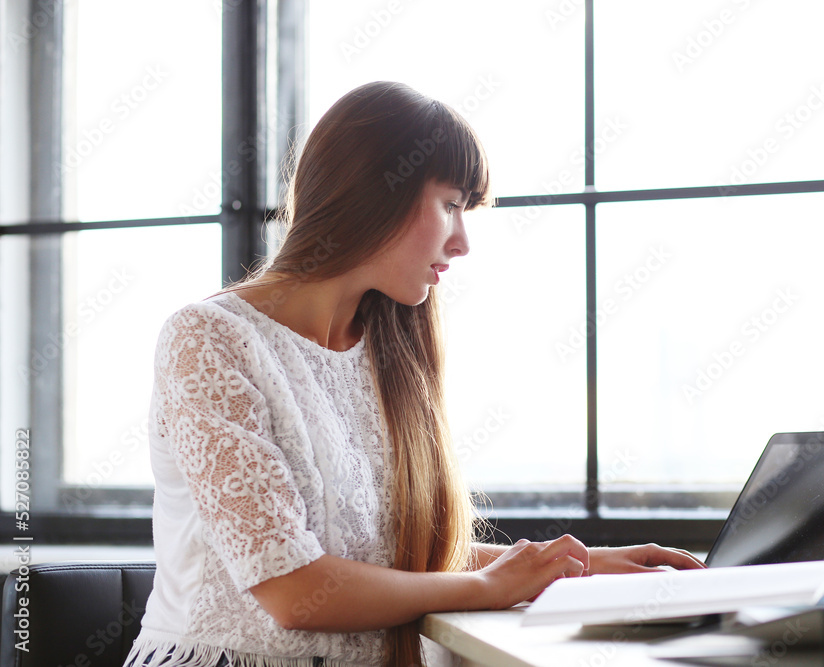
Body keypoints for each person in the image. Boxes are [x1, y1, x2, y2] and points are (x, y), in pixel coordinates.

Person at [123, 81, 704, 667]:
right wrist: (489, 586)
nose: (463, 242)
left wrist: (574, 564)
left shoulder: (389, 347)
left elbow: (399, 560)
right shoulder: (207, 339)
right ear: (377, 193)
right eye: (451, 204)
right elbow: (294, 590)